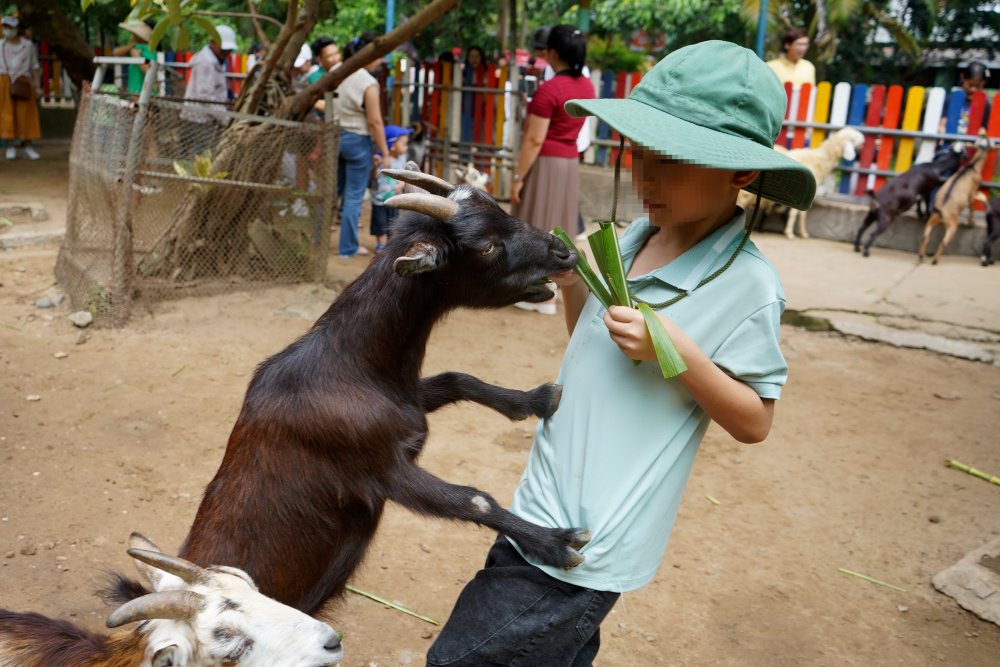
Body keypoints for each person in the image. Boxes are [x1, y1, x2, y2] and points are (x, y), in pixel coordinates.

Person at [427, 40, 815, 667]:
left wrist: (677, 351)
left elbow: (754, 420)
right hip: (540, 507)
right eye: (640, 155)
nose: (645, 178)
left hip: (587, 542)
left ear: (741, 173)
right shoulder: (635, 237)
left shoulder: (747, 284)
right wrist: (578, 285)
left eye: (672, 162)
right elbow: (587, 350)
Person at [511, 25, 595, 315]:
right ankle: (550, 291)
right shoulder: (587, 87)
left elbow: (534, 139)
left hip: (546, 162)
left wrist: (518, 177)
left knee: (534, 224)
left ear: (553, 52)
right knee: (559, 227)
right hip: (570, 164)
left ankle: (539, 294)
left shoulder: (550, 90)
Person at [333, 32, 390, 258]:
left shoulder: (338, 73)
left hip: (335, 137)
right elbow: (375, 122)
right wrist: (384, 152)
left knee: (330, 194)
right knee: (354, 197)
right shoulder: (368, 82)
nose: (379, 62)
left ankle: (314, 242)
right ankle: (347, 248)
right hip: (358, 141)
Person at [181, 24, 238, 154]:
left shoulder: (216, 60)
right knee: (201, 156)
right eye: (224, 48)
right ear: (213, 43)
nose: (227, 52)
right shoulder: (205, 63)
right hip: (199, 119)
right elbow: (206, 97)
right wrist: (226, 119)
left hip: (208, 118)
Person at [0, 15, 42, 161]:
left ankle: (28, 146)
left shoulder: (28, 45)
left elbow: (34, 67)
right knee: (6, 113)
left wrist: (37, 87)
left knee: (26, 113)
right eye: (4, 27)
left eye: (9, 27)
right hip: (4, 80)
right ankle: (10, 146)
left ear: (17, 29)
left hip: (23, 81)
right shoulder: (0, 45)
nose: (6, 30)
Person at [368, 124, 411, 252]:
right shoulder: (379, 159)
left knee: (393, 223)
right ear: (392, 145)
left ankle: (389, 245)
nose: (406, 147)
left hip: (395, 200)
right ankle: (380, 244)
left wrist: (402, 184)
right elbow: (373, 177)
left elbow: (405, 176)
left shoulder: (402, 159)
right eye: (404, 144)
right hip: (379, 200)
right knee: (380, 223)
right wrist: (375, 166)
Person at [113, 21, 156, 95]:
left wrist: (137, 57)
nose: (133, 35)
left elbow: (148, 68)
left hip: (145, 92)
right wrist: (131, 45)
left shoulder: (149, 49)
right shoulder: (135, 47)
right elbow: (116, 52)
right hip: (134, 91)